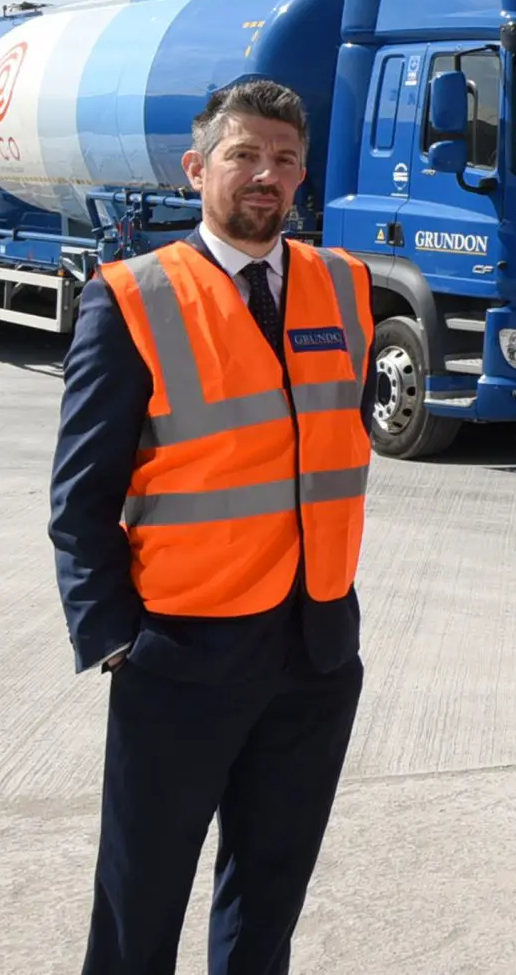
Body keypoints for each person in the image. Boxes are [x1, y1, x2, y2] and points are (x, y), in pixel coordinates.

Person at [48, 79, 374, 975]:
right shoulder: (134, 297)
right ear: (198, 168)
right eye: (244, 155)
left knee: (270, 890)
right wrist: (114, 639)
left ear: (303, 173)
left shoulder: (344, 287)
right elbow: (80, 498)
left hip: (313, 646)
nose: (265, 175)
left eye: (284, 158)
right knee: (141, 891)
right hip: (181, 651)